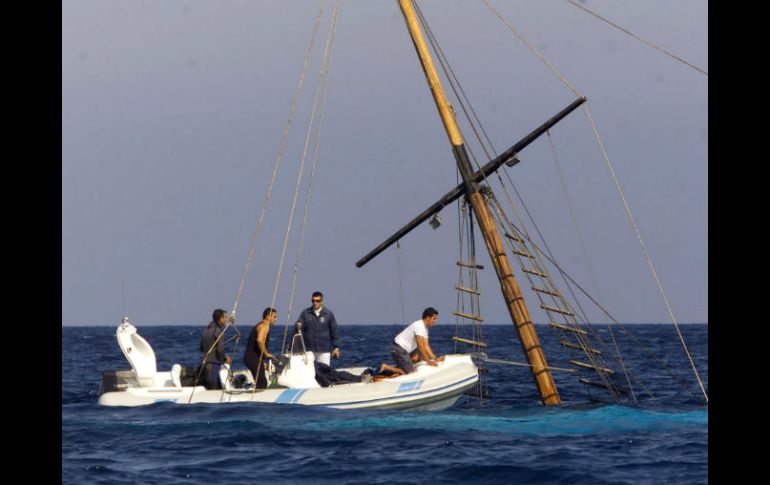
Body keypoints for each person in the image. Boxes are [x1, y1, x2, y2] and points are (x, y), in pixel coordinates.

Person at [390, 307, 445, 374]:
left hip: (404, 350)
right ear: (428, 318)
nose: (435, 321)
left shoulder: (425, 328)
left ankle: (402, 366)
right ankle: (386, 368)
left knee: (419, 357)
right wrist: (428, 362)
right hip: (398, 348)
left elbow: (426, 346)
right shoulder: (419, 326)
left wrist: (435, 358)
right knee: (411, 373)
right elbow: (421, 347)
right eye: (434, 319)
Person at [293, 291, 340, 366]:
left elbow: (334, 331)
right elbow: (298, 325)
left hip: (324, 350)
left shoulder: (328, 314)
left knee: (324, 372)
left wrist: (336, 347)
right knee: (310, 372)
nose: (315, 303)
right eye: (313, 301)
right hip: (309, 350)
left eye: (317, 301)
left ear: (322, 301)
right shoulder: (305, 313)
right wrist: (298, 325)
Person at [200, 308, 234, 390]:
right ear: (220, 319)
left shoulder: (206, 330)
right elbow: (220, 349)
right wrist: (225, 358)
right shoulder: (218, 332)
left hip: (205, 364)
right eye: (225, 318)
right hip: (214, 364)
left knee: (209, 387)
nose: (226, 320)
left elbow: (201, 347)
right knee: (214, 389)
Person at [243, 307, 278, 388]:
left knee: (261, 381)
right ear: (267, 317)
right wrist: (266, 354)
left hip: (252, 358)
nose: (276, 319)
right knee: (262, 383)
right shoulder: (264, 326)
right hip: (252, 358)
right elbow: (259, 340)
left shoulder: (260, 325)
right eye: (274, 317)